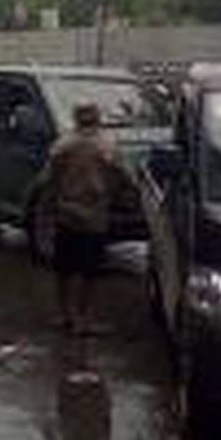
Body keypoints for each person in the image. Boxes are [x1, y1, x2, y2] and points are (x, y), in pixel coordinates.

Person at [38, 102, 133, 335]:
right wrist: (125, 198)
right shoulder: (108, 146)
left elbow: (47, 181)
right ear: (97, 117)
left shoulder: (62, 146)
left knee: (64, 269)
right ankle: (84, 318)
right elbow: (124, 178)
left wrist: (48, 210)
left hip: (66, 215)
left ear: (75, 118)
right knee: (90, 272)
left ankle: (64, 314)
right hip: (95, 218)